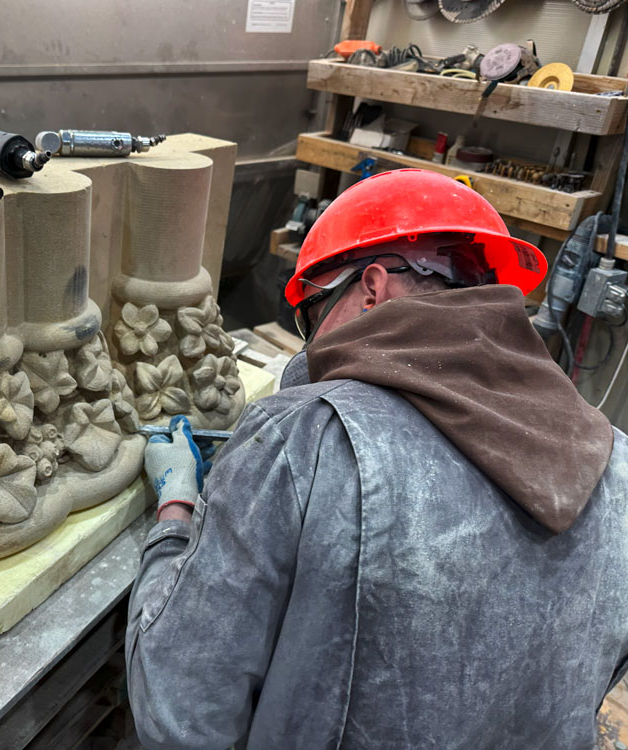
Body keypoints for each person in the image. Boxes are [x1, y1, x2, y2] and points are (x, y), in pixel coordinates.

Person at [125, 169, 628, 750]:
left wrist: (177, 507)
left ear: (371, 287)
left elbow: (180, 713)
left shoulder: (304, 436)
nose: (312, 347)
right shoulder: (617, 463)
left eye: (311, 316)